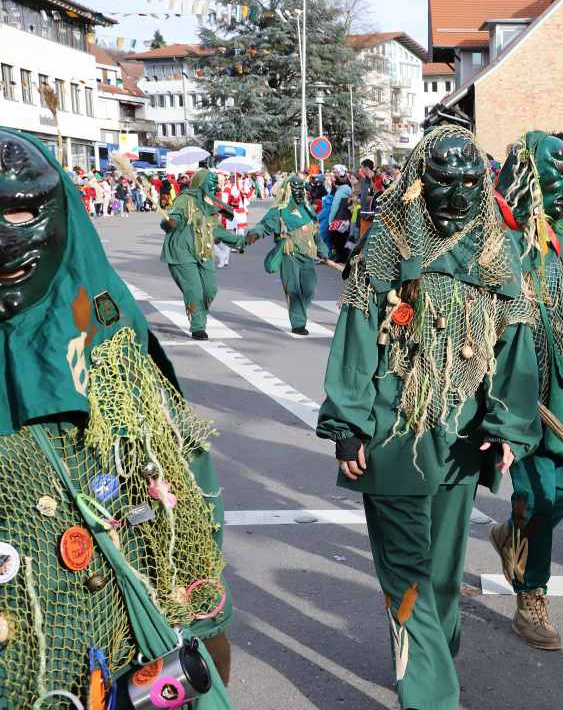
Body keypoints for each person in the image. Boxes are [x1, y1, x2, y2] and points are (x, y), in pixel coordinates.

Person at [0, 127, 234, 707]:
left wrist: (196, 613)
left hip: (116, 646)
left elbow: (181, 490)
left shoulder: (105, 331)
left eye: (21, 210)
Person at [317, 124, 541, 710]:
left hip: (463, 439)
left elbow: (515, 344)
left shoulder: (498, 248)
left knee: (443, 575)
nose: (455, 198)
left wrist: (508, 425)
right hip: (393, 436)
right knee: (410, 577)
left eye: (469, 185)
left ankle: (434, 652)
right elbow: (358, 334)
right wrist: (347, 426)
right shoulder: (388, 242)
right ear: (422, 181)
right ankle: (431, 696)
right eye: (444, 184)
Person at [488, 131, 563, 651]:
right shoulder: (496, 232)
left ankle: (514, 534)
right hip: (515, 386)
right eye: (556, 173)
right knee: (537, 495)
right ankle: (531, 597)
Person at [160, 169, 245, 340]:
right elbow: (172, 217)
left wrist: (241, 240)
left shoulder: (211, 205)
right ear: (201, 183)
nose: (215, 187)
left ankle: (198, 314)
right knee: (194, 291)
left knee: (210, 289)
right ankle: (198, 326)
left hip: (204, 252)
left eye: (216, 183)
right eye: (211, 183)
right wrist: (171, 222)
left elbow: (217, 231)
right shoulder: (185, 199)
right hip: (182, 251)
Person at [246, 176, 330, 335]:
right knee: (293, 289)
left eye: (301, 189)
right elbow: (264, 226)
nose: (300, 193)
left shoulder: (308, 209)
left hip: (308, 255)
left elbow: (316, 234)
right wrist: (254, 234)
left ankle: (299, 311)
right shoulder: (279, 211)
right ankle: (298, 323)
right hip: (289, 254)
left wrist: (323, 250)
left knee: (309, 289)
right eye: (296, 189)